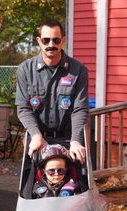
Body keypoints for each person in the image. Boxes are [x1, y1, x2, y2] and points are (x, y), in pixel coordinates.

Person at [16, 19, 89, 165]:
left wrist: (76, 140)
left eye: (56, 40)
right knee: (33, 186)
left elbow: (80, 109)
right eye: (46, 40)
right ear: (39, 41)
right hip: (38, 140)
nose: (51, 45)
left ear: (63, 41)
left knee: (74, 185)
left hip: (68, 141)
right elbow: (23, 108)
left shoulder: (78, 70)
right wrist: (36, 135)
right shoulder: (25, 69)